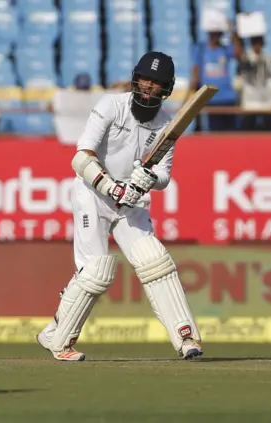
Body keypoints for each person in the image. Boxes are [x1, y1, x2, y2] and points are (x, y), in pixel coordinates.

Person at [36, 52, 202, 361]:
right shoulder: (111, 106)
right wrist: (111, 186)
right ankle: (58, 340)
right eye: (145, 80)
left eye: (157, 84)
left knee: (156, 262)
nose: (148, 87)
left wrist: (148, 178)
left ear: (166, 89)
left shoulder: (166, 124)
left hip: (132, 201)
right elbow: (80, 158)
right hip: (93, 194)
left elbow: (164, 175)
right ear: (135, 78)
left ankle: (186, 337)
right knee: (96, 271)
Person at [189, 17, 242, 131]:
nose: (216, 36)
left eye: (219, 33)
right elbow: (195, 74)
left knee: (231, 135)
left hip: (228, 98)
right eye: (213, 33)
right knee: (215, 135)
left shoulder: (224, 49)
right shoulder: (201, 49)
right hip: (211, 100)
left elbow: (237, 53)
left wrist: (232, 31)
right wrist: (187, 98)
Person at [236, 35, 271, 131]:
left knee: (268, 126)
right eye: (255, 44)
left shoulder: (267, 57)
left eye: (260, 44)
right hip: (249, 98)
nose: (257, 47)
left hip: (264, 98)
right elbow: (241, 73)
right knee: (248, 126)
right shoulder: (245, 57)